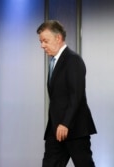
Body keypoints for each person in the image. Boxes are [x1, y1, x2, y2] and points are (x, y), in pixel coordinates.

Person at [37, 20, 97, 167]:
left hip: (74, 129)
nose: (42, 46)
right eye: (41, 41)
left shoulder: (73, 60)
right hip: (55, 130)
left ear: (58, 38)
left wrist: (65, 123)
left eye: (45, 41)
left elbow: (76, 95)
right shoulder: (53, 62)